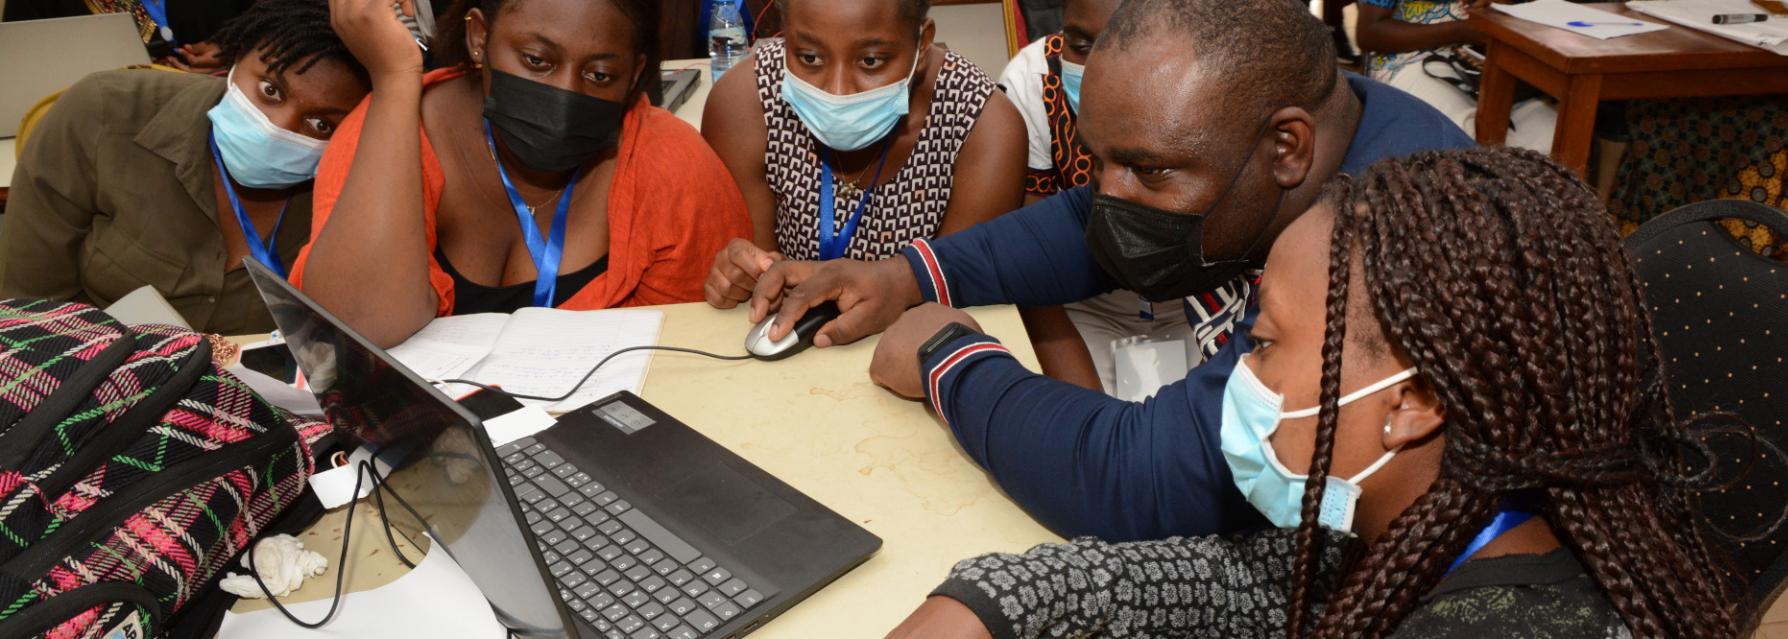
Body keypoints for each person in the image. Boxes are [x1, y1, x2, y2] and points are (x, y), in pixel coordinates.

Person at [887, 148, 1748, 639]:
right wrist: (990, 601)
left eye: (1263, 345)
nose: (1237, 378)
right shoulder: (1425, 524)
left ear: (1412, 402)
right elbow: (1240, 579)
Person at [752, 0, 1472, 541]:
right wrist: (909, 274)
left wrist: (950, 358)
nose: (1109, 196)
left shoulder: (1386, 245)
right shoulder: (1316, 129)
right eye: (1101, 160)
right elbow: (1083, 224)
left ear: (1288, 146)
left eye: (1148, 169)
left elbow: (1144, 480)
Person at [295, 0, 750, 348]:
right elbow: (355, 328)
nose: (565, 93)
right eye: (537, 60)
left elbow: (697, 359)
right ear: (479, 38)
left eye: (599, 75)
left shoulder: (673, 168)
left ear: (634, 77)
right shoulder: (390, 135)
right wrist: (395, 79)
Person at [698, 0, 1091, 387]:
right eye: (809, 57)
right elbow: (754, 288)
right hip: (780, 373)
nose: (838, 91)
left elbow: (960, 292)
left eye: (870, 61)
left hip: (913, 369)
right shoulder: (745, 102)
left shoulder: (983, 127)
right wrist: (740, 275)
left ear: (922, 44)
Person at [0, 0, 369, 334]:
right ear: (236, 59)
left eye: (322, 125)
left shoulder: (365, 187)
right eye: (270, 90)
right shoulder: (103, 115)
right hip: (93, 383)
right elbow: (31, 309)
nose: (277, 128)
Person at [999, 0, 1194, 397]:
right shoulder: (1031, 80)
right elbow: (1033, 270)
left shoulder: (1222, 70)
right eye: (1081, 45)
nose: (1100, 69)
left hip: (1200, 305)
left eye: (1129, 45)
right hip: (1083, 308)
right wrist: (1088, 408)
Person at [1354, 0, 1556, 152]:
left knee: (1550, 134)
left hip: (1479, 57)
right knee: (1463, 138)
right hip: (1407, 58)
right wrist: (1464, 30)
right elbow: (1369, 32)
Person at [3, 0, 255, 72]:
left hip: (219, 123)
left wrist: (238, 55)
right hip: (96, 130)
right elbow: (22, 72)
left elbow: (281, 32)